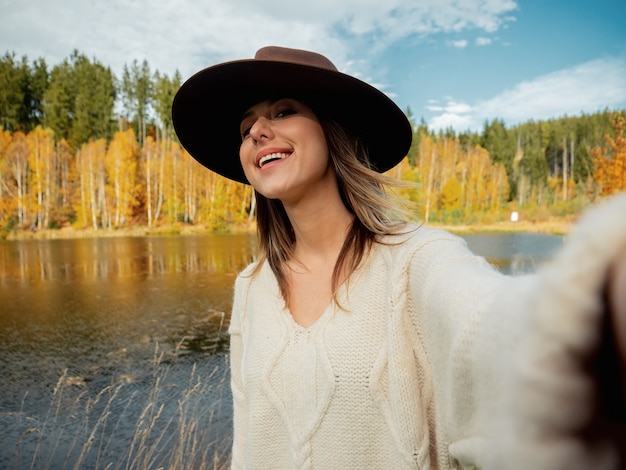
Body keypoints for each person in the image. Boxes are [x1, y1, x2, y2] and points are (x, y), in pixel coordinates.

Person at [172, 46, 626, 469]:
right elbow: (247, 445)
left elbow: (488, 322)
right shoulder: (251, 286)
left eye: (284, 111)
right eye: (245, 127)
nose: (256, 131)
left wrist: (590, 303)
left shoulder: (419, 261)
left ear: (335, 131)